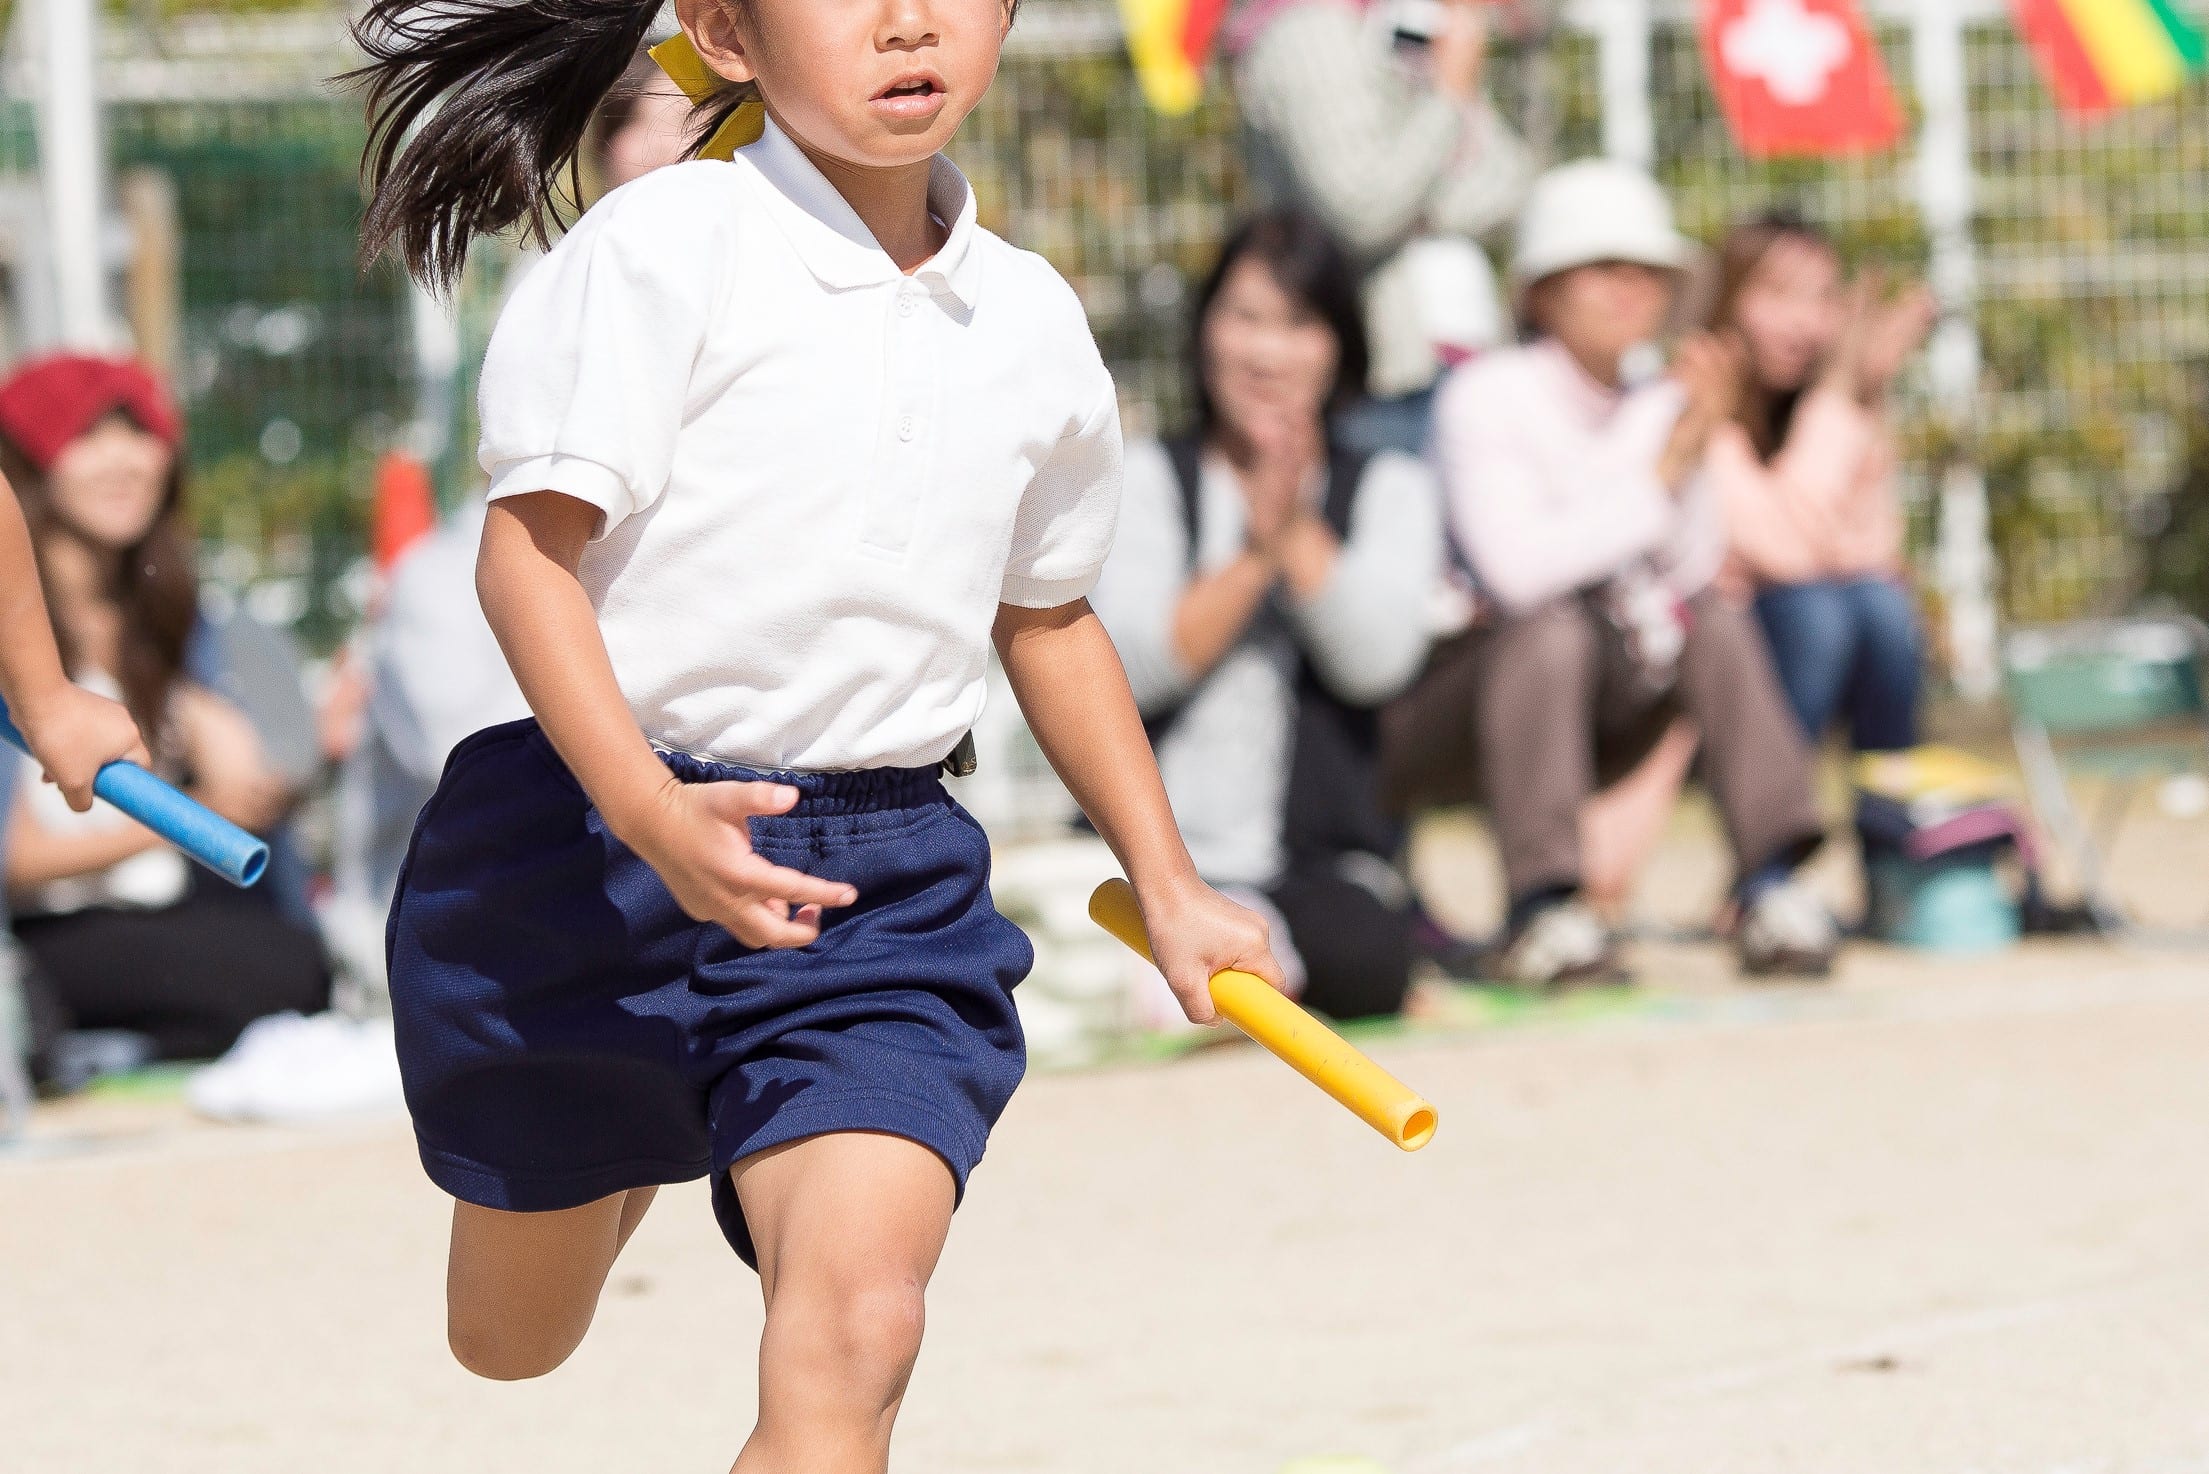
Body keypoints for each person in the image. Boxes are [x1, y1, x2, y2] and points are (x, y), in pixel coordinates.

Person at [348, 0, 1286, 1466]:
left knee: (861, 1326)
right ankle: (638, 1126)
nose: (909, 20)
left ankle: (746, 1104)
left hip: (873, 889)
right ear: (724, 33)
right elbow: (524, 563)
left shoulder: (1032, 317)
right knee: (508, 1342)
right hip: (592, 858)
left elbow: (1047, 618)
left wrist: (1168, 880)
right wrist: (657, 815)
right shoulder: (658, 251)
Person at [1380, 159, 1837, 986]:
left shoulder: (1660, 404)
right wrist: (1661, 469)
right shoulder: (1486, 395)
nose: (1630, 291)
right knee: (1549, 629)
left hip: (1605, 700)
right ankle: (1542, 909)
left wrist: (1694, 445)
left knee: (1717, 619)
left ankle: (1771, 885)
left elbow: (1691, 571)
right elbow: (1520, 576)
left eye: (1648, 275)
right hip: (1455, 705)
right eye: (1602, 270)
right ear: (1541, 290)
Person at [1090, 209, 1441, 1024]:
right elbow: (1132, 668)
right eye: (1244, 317)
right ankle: (1239, 978)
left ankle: (1250, 971)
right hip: (1153, 863)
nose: (1264, 351)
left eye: (1296, 324)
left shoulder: (1388, 485)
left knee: (1367, 952)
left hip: (1318, 866)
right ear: (1205, 330)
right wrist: (1251, 557)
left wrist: (1296, 537)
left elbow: (1379, 661)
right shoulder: (1145, 476)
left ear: (1340, 348)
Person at [0, 354, 331, 1070]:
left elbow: (274, 772)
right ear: (27, 463)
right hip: (47, 929)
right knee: (261, 972)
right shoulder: (19, 652)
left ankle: (105, 1051)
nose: (124, 461)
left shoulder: (191, 630)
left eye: (139, 434)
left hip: (179, 910)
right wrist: (190, 814)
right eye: (89, 437)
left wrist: (242, 766)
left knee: (292, 959)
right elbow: (15, 858)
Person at [1227, 0, 1532, 453]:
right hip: (1379, 382)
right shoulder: (1310, 34)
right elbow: (1364, 209)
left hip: (1463, 362)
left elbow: (1508, 186)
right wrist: (1448, 98)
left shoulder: (1400, 23)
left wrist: (1408, 196)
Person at [1704, 210, 1934, 762]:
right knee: (1815, 614)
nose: (1805, 323)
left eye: (1824, 299)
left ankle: (1893, 832)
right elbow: (1787, 553)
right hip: (1704, 673)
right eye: (1780, 295)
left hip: (1804, 645)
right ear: (1727, 298)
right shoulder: (1700, 407)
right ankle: (1774, 832)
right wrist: (1837, 397)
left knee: (1880, 609)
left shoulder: (1821, 411)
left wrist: (1864, 400)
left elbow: (1879, 552)